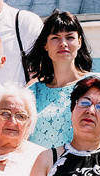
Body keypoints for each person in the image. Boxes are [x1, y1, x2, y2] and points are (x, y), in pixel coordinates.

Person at [25, 10, 96, 149]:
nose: (63, 43)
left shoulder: (97, 85)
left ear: (79, 42)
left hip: (84, 168)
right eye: (55, 37)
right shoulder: (32, 93)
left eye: (70, 37)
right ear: (45, 44)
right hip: (41, 169)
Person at [0, 86, 44, 176]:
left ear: (29, 123)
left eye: (21, 116)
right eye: (5, 113)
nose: (12, 122)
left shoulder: (40, 157)